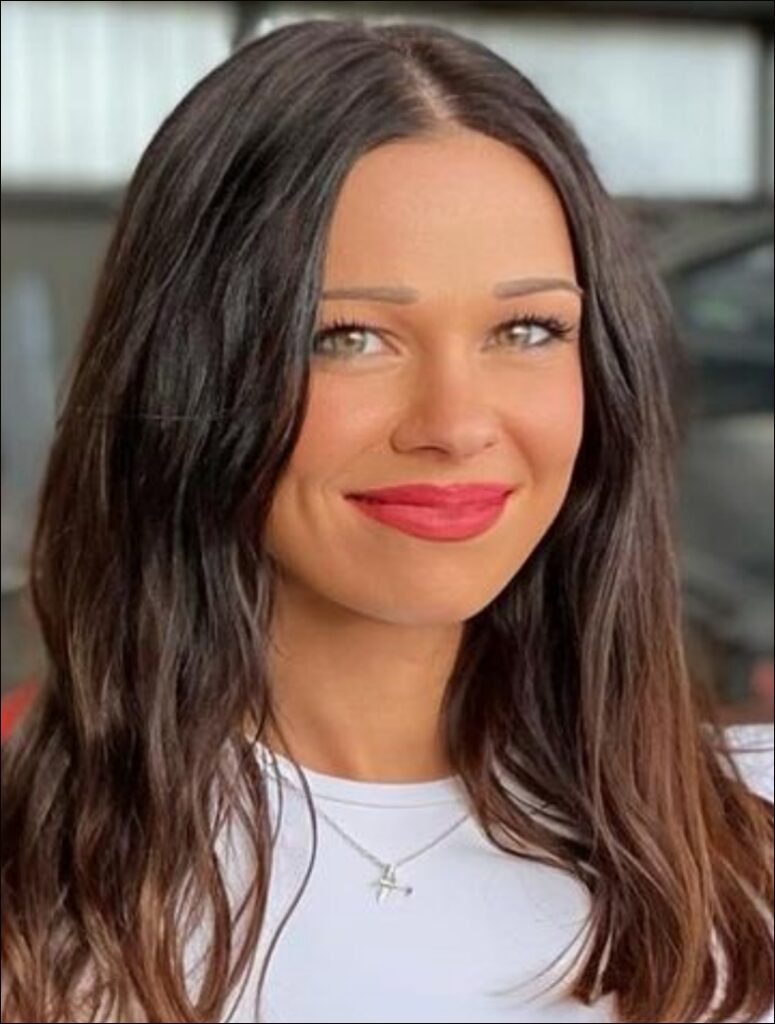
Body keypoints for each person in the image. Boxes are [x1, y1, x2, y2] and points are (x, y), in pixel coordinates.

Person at [1, 17, 772, 1024]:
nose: (454, 425)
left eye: (526, 329)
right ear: (187, 370)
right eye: (349, 337)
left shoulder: (745, 843)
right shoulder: (38, 906)